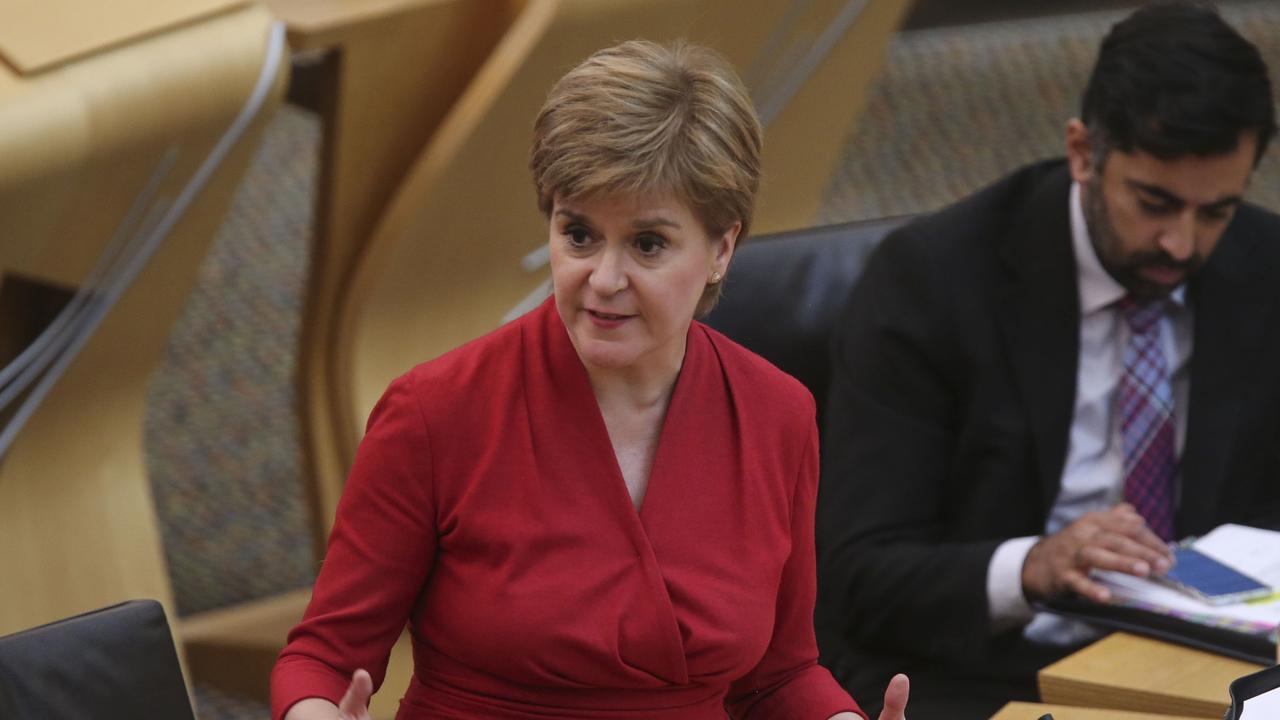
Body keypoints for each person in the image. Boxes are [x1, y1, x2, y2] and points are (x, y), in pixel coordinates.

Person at [272, 39, 909, 720]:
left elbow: (778, 677)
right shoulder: (435, 412)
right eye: (578, 235)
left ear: (722, 248)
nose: (603, 281)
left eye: (647, 244)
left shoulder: (777, 413)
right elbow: (325, 658)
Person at [815, 3, 1280, 718]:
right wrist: (1033, 565)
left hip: (1198, 662)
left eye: (1215, 211)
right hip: (986, 668)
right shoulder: (931, 282)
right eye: (1154, 202)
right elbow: (858, 576)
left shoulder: (1263, 267)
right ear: (1082, 152)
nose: (1181, 245)